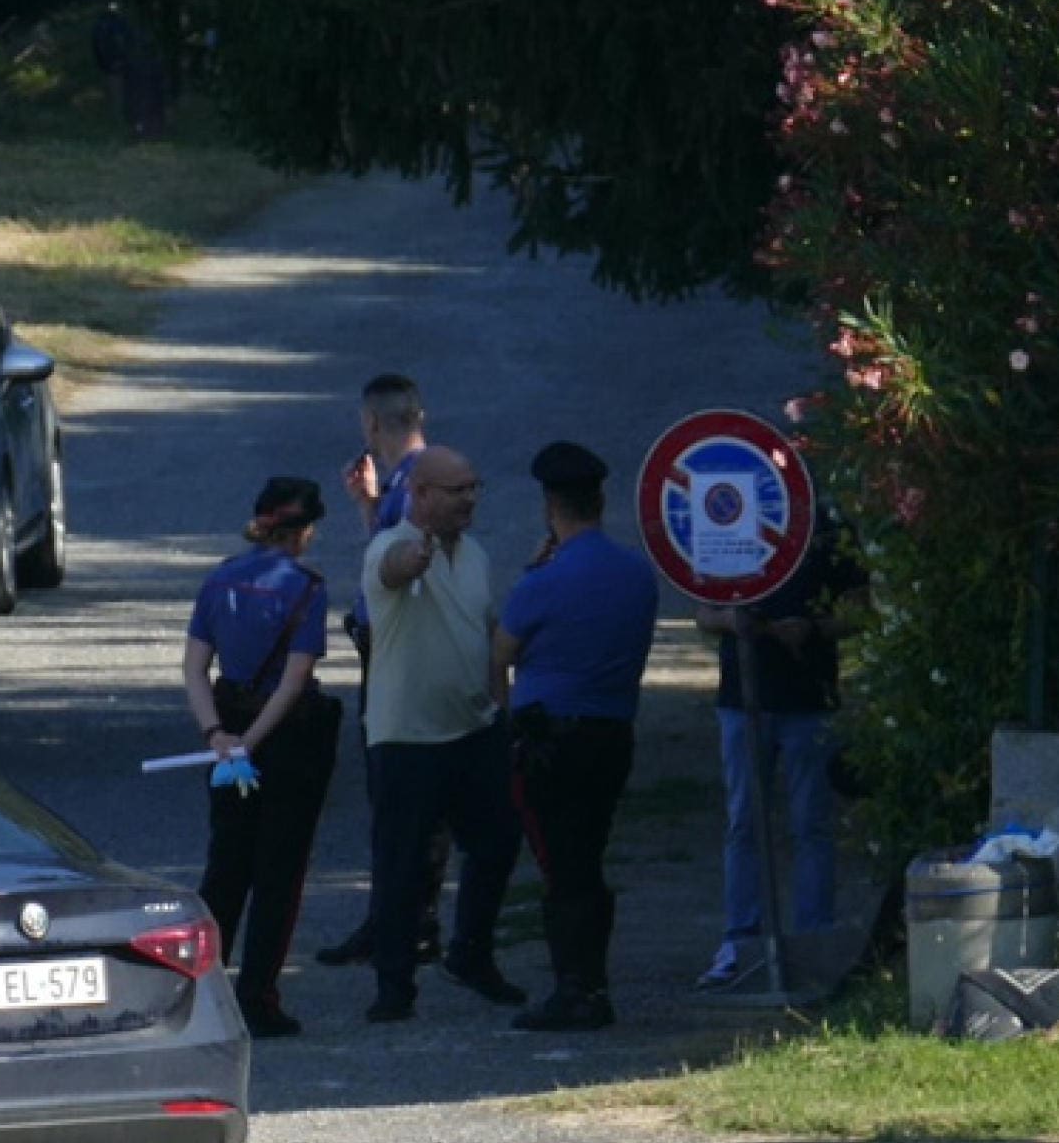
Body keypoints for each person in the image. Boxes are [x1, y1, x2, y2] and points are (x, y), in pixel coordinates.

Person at [494, 440, 659, 1031]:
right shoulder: (636, 576)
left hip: (550, 744)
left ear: (550, 507)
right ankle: (593, 981)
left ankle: (576, 988)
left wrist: (511, 719)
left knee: (561, 868)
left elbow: (499, 657)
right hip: (612, 735)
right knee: (588, 856)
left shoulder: (542, 582)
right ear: (601, 501)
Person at [357, 446, 525, 1021]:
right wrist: (415, 557)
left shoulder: (475, 554)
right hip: (406, 737)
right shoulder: (389, 546)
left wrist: (501, 708)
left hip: (473, 729)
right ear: (421, 495)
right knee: (402, 863)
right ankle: (394, 985)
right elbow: (394, 567)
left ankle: (471, 954)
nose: (470, 499)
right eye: (457, 491)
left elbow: (486, 634)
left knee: (499, 843)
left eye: (475, 487)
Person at [181, 477, 343, 1036]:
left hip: (227, 730)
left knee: (226, 862)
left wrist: (217, 735)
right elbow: (295, 681)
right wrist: (255, 741)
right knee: (280, 870)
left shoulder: (220, 578)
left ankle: (199, 989)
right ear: (302, 532)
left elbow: (195, 668)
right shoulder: (305, 590)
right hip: (287, 741)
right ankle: (258, 996)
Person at [697, 511, 861, 986]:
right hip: (743, 700)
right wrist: (738, 621)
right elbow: (705, 610)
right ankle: (740, 939)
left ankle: (813, 937)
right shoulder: (732, 519)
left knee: (812, 823)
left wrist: (812, 628)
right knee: (745, 821)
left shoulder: (828, 527)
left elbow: (859, 610)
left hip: (809, 699)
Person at [319, 372, 435, 971]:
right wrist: (367, 508)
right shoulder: (410, 485)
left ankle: (402, 922)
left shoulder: (413, 487)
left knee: (394, 788)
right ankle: (403, 917)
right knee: (398, 789)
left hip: (396, 655)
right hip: (396, 647)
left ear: (370, 424)